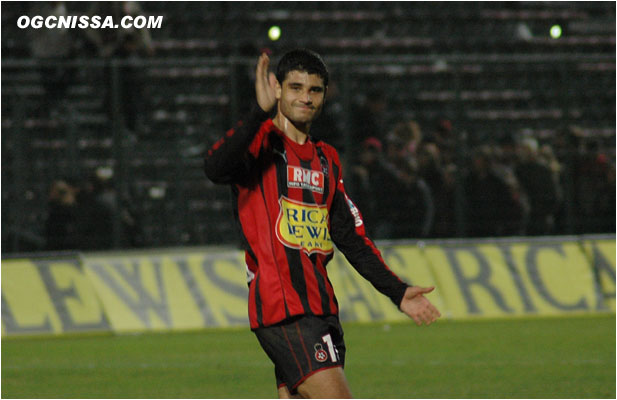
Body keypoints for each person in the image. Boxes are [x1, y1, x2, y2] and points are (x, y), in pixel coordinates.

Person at [204, 49, 440, 399]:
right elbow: (215, 168)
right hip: (284, 309)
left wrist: (397, 290)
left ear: (325, 95)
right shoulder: (261, 143)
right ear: (278, 89)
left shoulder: (326, 158)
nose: (305, 97)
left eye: (314, 90)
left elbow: (351, 237)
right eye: (295, 87)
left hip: (321, 308)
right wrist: (258, 113)